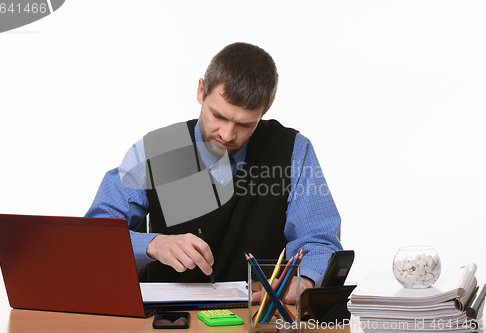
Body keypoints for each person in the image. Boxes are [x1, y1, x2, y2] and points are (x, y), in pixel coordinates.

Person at [85, 42, 342, 304]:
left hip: (257, 317)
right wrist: (153, 244)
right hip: (171, 320)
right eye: (218, 116)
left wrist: (303, 281)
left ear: (263, 112)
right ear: (200, 91)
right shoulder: (157, 151)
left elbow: (320, 242)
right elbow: (93, 236)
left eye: (244, 124)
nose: (227, 135)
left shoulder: (294, 151)